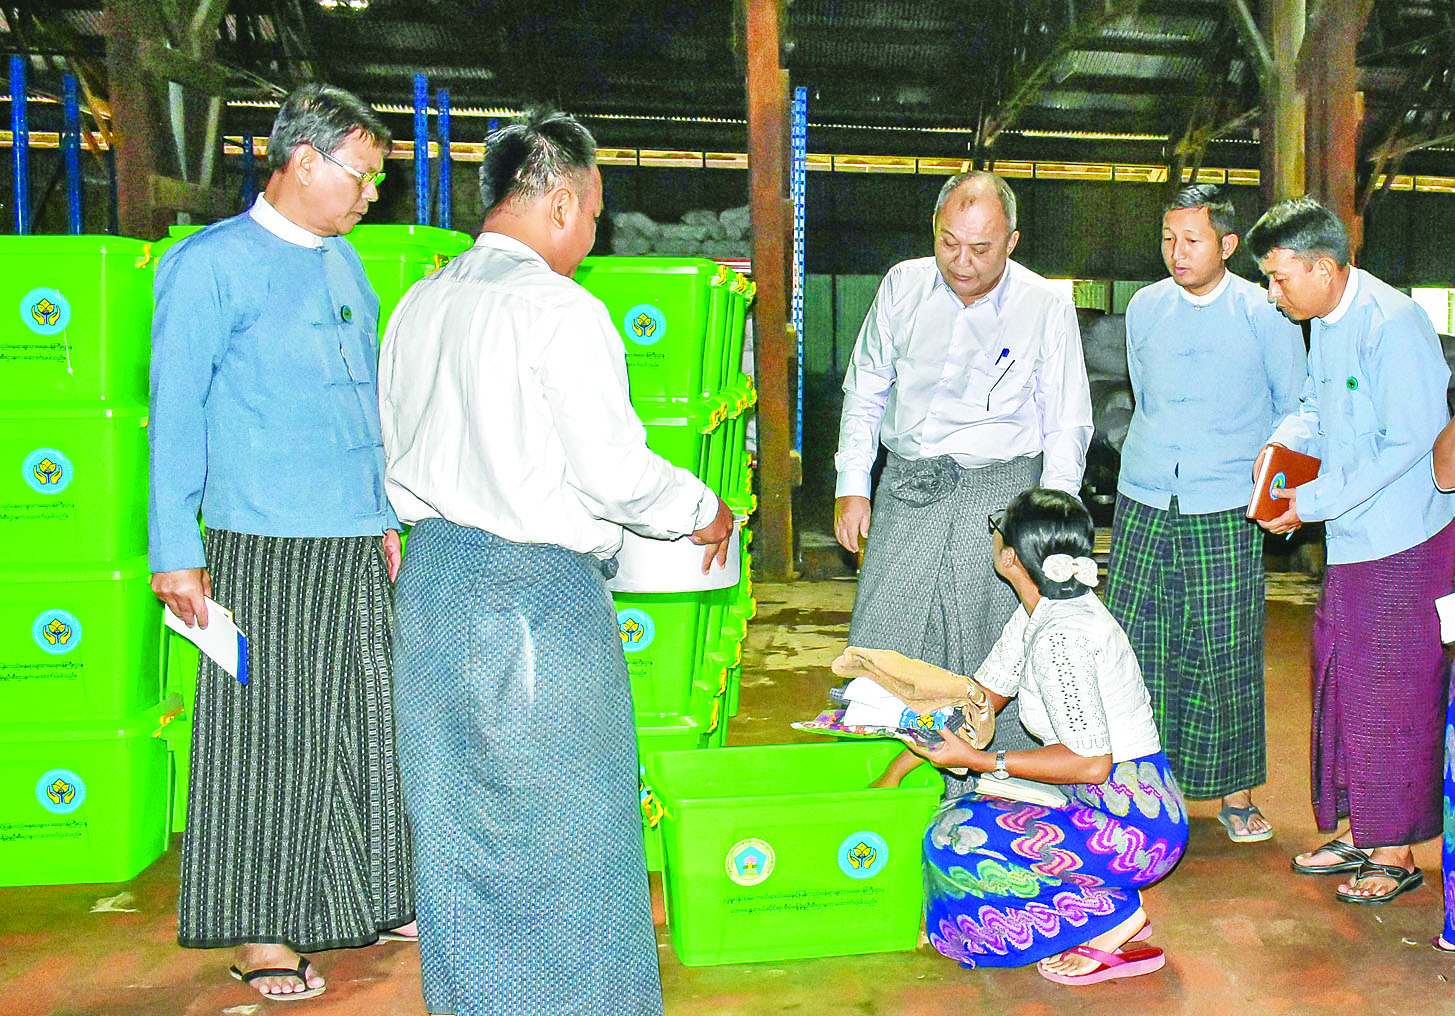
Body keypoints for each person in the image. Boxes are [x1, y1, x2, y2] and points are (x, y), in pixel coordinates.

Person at [378, 110, 733, 1016]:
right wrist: (700, 509)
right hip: (531, 601)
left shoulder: (420, 301)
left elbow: (390, 443)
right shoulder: (559, 309)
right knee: (573, 834)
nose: (592, 237)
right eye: (595, 216)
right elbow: (612, 472)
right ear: (562, 202)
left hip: (431, 591)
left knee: (460, 836)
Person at [148, 83, 415, 1001]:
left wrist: (383, 513)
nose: (371, 194)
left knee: (368, 723)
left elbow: (363, 402)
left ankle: (368, 895)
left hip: (352, 533)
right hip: (263, 537)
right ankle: (262, 934)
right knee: (266, 736)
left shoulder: (344, 262)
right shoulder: (209, 264)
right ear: (304, 161)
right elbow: (175, 411)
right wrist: (174, 547)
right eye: (362, 175)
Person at [833, 171, 1093, 783]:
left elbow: (1066, 420)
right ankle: (880, 780)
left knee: (993, 647)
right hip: (910, 487)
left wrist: (1049, 522)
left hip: (1001, 491)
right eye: (949, 242)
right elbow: (866, 390)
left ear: (1012, 242)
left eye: (981, 248)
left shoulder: (1044, 304)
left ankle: (995, 784)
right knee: (888, 635)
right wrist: (852, 485)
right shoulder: (902, 285)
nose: (962, 262)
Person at [1247, 196, 1455, 903]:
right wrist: (1280, 448)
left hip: (1403, 542)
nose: (1273, 294)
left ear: (1324, 268)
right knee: (1343, 681)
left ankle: (1394, 849)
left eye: (1279, 279)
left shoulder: (1392, 324)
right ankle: (1360, 830)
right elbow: (1312, 405)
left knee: (1393, 692)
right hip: (1352, 539)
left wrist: (1308, 504)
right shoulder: (1326, 323)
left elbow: (1410, 441)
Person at [899, 488, 1187, 985]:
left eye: (998, 526)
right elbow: (980, 699)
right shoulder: (1041, 611)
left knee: (953, 839)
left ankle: (1111, 916)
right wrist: (897, 767)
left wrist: (985, 762)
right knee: (956, 815)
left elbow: (1092, 764)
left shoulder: (1061, 637)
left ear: (1010, 557)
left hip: (1134, 823)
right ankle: (1096, 907)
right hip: (1097, 799)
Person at [1104, 185, 1305, 843]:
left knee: (1225, 647)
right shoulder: (1144, 307)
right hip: (1143, 495)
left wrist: (1275, 493)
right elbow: (1144, 394)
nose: (1176, 252)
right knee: (1135, 644)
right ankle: (1136, 787)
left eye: (1191, 240)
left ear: (1227, 245)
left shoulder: (1265, 311)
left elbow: (1293, 407)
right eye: (1168, 238)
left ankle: (1236, 796)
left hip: (1225, 504)